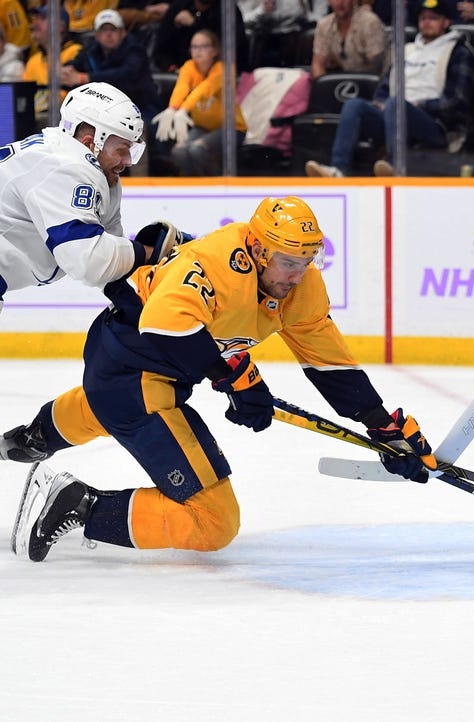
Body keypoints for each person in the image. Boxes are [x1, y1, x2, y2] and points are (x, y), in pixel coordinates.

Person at [6, 196, 439, 562]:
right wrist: (232, 376)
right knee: (213, 521)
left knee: (108, 407)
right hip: (131, 368)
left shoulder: (300, 286)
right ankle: (78, 505)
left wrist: (380, 424)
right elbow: (164, 323)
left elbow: (328, 362)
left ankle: (36, 437)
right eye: (289, 262)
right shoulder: (214, 263)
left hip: (149, 376)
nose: (298, 275)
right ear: (258, 250)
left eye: (308, 262)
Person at [0, 82, 178, 315]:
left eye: (132, 151)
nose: (127, 161)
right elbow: (88, 260)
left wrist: (143, 304)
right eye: (122, 149)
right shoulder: (64, 166)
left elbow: (110, 259)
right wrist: (149, 252)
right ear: (90, 143)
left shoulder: (99, 175)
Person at [305, 0, 474, 178]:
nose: (427, 22)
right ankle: (338, 169)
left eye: (433, 18)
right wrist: (379, 102)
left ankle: (395, 167)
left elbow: (457, 101)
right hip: (395, 113)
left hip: (434, 123)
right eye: (423, 18)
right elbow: (385, 86)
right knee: (354, 105)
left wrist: (420, 105)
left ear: (446, 22)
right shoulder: (408, 50)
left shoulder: (459, 51)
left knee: (396, 104)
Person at [60, 9, 163, 176]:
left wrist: (84, 78)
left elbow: (126, 75)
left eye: (113, 30)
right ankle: (77, 175)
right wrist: (67, 71)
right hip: (106, 113)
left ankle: (140, 182)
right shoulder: (91, 50)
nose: (108, 35)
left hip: (140, 108)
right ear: (96, 35)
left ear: (122, 33)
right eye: (103, 30)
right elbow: (75, 65)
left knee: (137, 131)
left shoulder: (135, 50)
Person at [149, 29, 247, 176]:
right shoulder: (189, 67)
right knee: (179, 151)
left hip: (231, 128)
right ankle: (193, 185)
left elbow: (205, 89)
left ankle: (219, 183)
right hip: (202, 127)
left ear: (215, 50)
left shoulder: (224, 69)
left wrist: (183, 109)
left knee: (198, 149)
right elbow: (181, 87)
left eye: (203, 46)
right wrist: (172, 108)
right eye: (194, 47)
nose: (198, 51)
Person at [23, 5, 83, 130]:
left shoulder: (75, 52)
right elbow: (25, 100)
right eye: (36, 18)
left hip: (64, 123)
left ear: (60, 27)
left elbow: (67, 99)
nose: (36, 23)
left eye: (43, 18)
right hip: (33, 125)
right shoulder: (32, 61)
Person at [152, 0, 248, 73]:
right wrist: (174, 69)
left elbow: (236, 53)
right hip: (181, 74)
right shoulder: (179, 7)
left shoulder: (228, 11)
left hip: (217, 76)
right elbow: (160, 52)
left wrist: (195, 24)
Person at [310, 0, 387, 79]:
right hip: (342, 81)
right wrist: (323, 84)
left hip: (375, 80)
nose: (340, 2)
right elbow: (317, 64)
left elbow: (376, 66)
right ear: (329, 1)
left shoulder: (370, 23)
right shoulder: (324, 25)